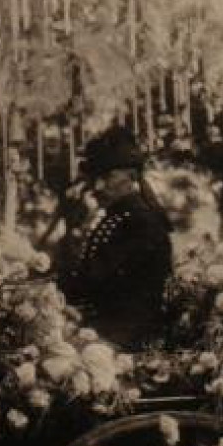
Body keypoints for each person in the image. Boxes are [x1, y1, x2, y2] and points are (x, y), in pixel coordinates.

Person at [56, 125, 174, 350]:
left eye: (108, 176)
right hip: (105, 327)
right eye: (96, 177)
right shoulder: (117, 216)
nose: (98, 186)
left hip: (128, 336)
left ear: (131, 177)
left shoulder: (141, 222)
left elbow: (102, 282)